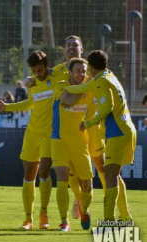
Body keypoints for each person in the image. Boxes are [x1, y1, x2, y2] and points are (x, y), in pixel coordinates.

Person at [25, 35, 107, 221]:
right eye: (68, 44)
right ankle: (75, 207)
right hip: (67, 131)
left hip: (92, 129)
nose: (71, 48)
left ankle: (115, 210)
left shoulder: (92, 69)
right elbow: (42, 77)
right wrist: (29, 80)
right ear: (64, 49)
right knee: (67, 172)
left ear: (82, 48)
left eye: (75, 45)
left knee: (102, 170)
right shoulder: (59, 72)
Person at [64, 50, 136, 223]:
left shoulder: (101, 81)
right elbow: (84, 87)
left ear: (91, 66)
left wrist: (89, 123)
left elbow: (107, 107)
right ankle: (124, 216)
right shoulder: (108, 76)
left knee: (110, 175)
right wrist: (62, 87)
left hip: (118, 132)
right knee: (113, 175)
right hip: (125, 129)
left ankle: (111, 219)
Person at [0, 50, 58, 230]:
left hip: (49, 133)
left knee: (44, 172)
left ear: (46, 65)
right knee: (29, 174)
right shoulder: (33, 83)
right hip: (32, 133)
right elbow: (30, 104)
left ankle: (43, 215)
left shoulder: (58, 78)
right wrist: (6, 107)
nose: (37, 74)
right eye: (34, 71)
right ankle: (28, 219)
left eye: (40, 70)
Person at [51, 58, 95, 232]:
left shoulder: (89, 88)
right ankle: (64, 222)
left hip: (80, 142)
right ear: (70, 71)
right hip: (59, 139)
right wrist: (86, 88)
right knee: (62, 177)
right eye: (78, 71)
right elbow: (68, 100)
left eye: (84, 71)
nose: (81, 74)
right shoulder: (60, 84)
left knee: (87, 186)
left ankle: (84, 210)